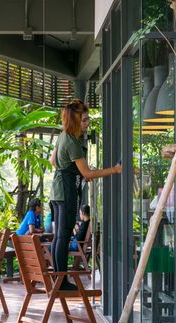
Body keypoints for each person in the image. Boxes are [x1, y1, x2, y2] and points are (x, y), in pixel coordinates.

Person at [50, 99, 121, 290]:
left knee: (59, 236)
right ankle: (62, 282)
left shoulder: (63, 135)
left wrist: (73, 169)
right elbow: (88, 173)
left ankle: (58, 279)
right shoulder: (72, 142)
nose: (87, 123)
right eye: (83, 121)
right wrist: (114, 170)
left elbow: (52, 161)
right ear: (74, 121)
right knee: (63, 237)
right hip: (66, 190)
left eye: (87, 119)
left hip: (57, 190)